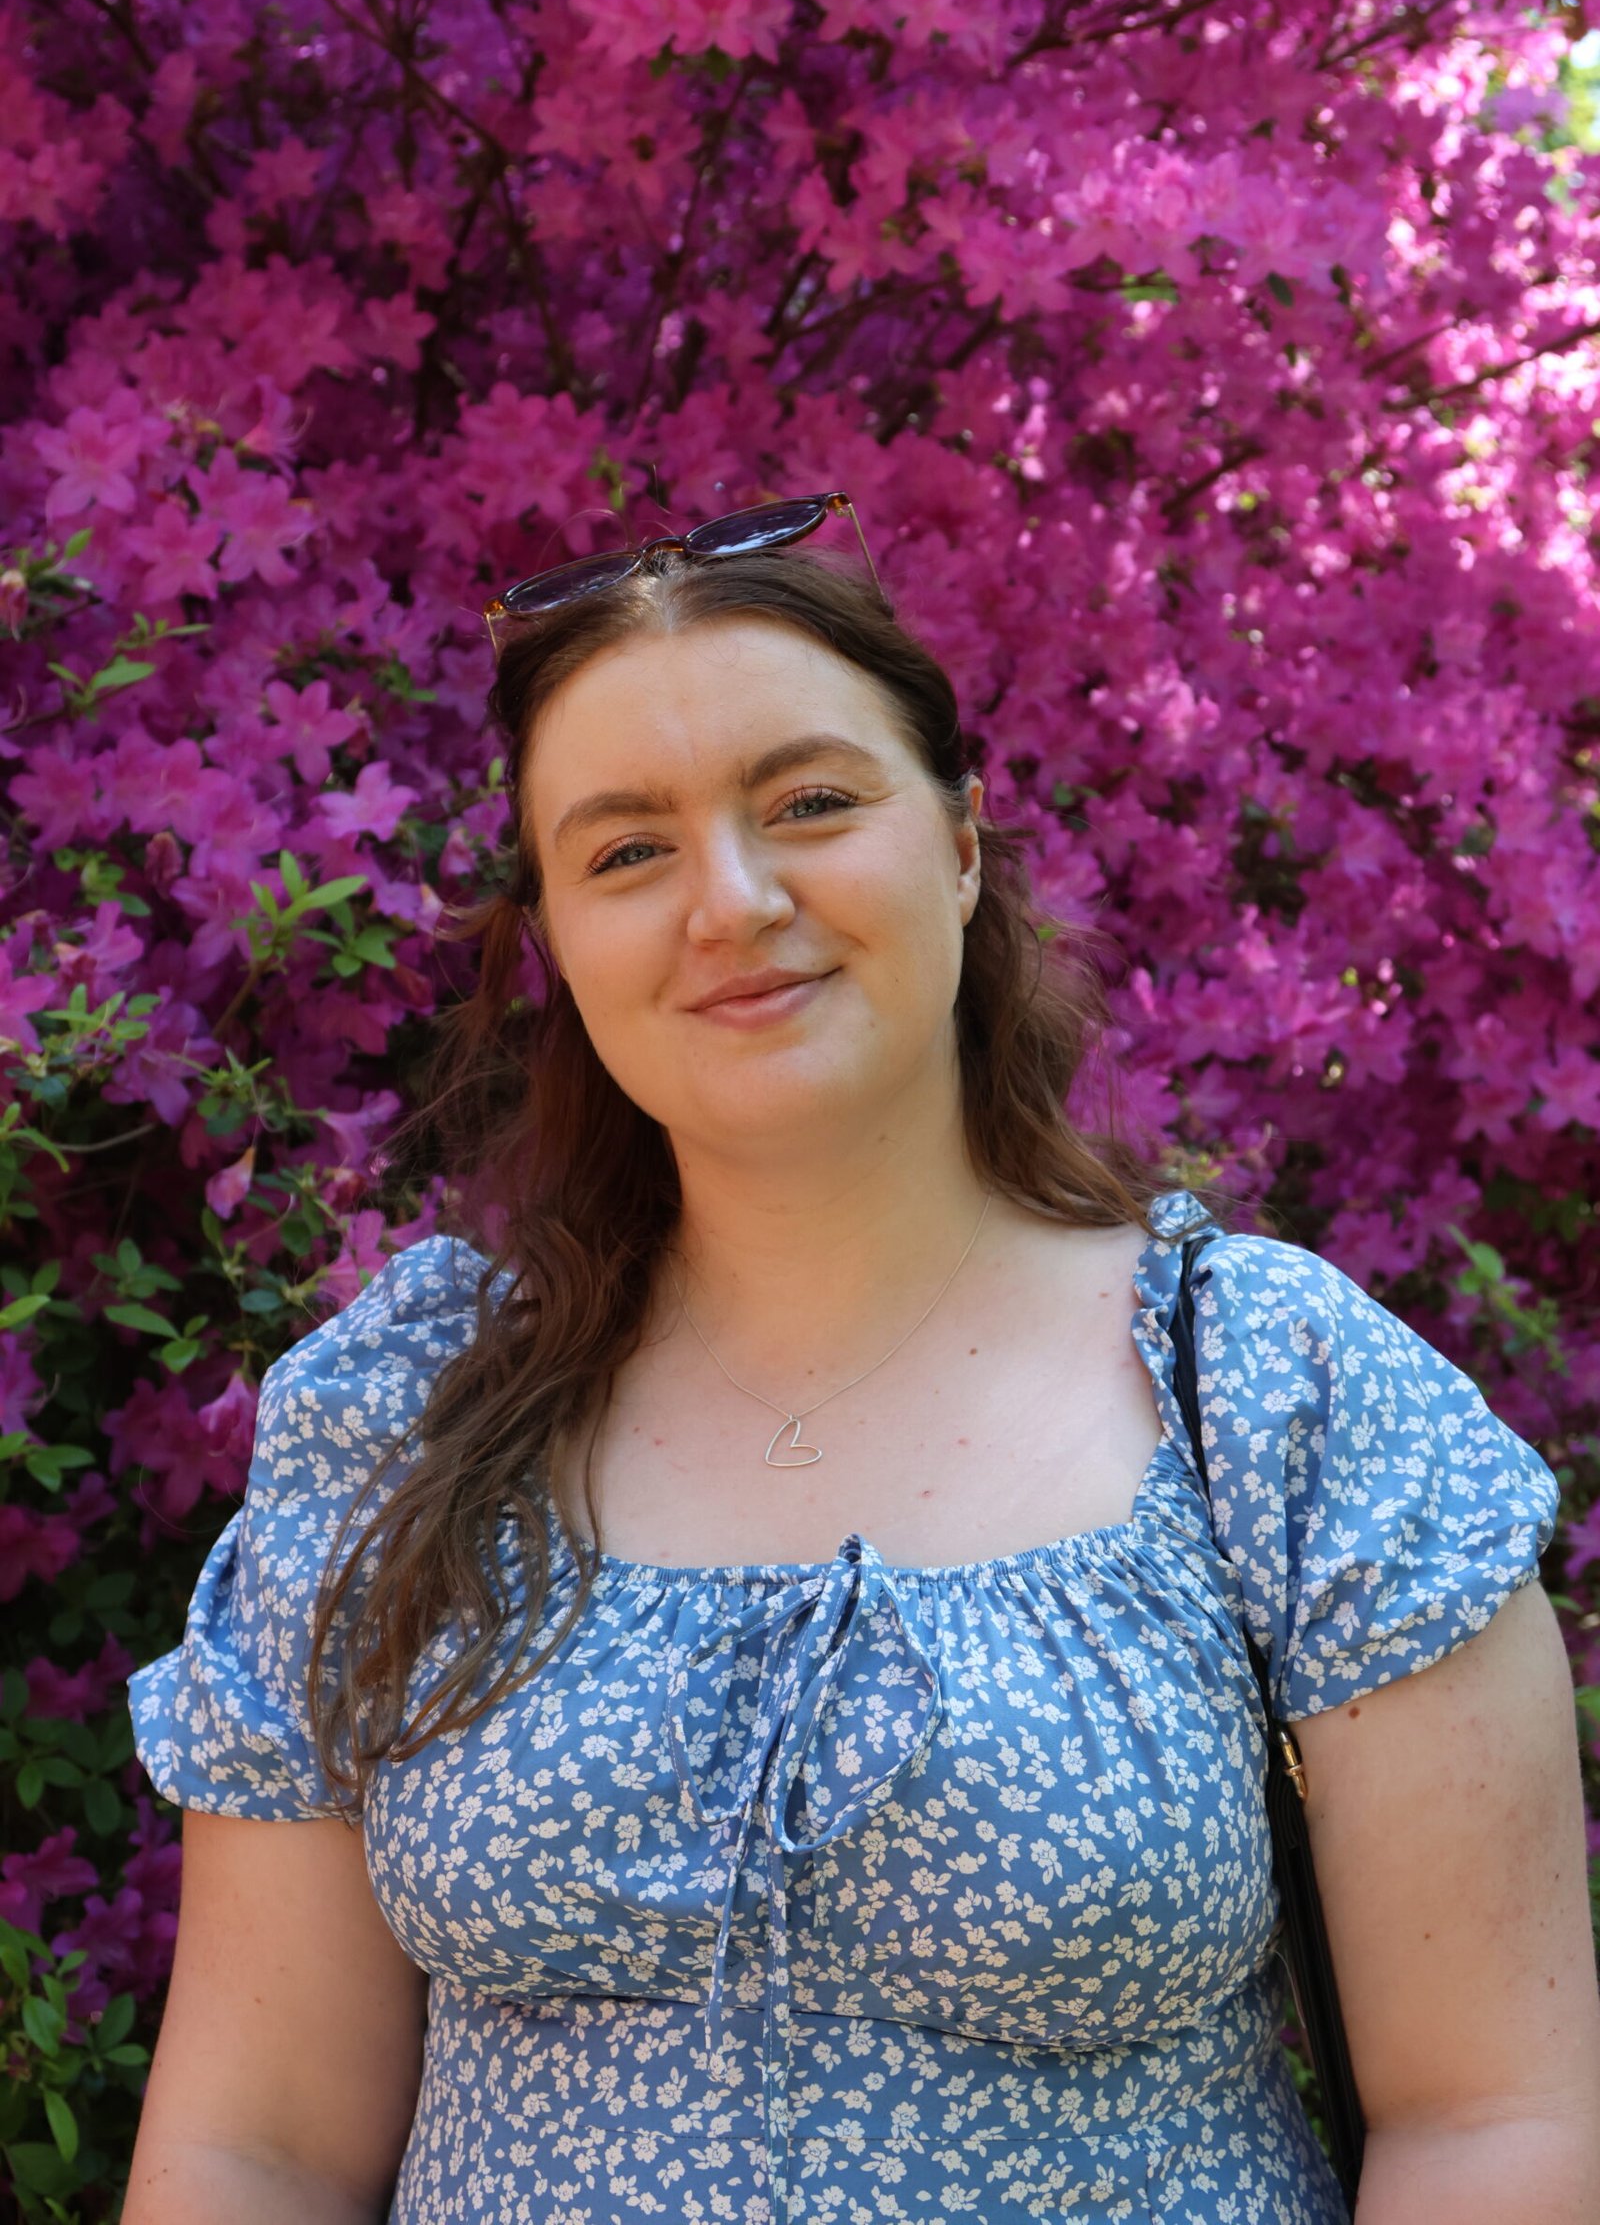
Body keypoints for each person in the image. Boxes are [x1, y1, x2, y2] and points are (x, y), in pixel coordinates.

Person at [124, 500, 1600, 2225]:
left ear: (963, 847)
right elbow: (263, 2149)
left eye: (810, 804)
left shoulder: (1276, 1395)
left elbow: (1491, 2120)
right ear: (557, 944)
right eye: (625, 853)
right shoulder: (403, 1421)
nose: (733, 903)